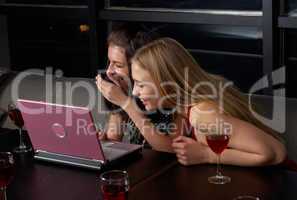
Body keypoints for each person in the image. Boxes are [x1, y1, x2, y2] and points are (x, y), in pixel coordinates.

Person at [97, 37, 287, 166]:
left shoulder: (202, 115)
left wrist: (207, 155)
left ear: (166, 82)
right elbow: (170, 148)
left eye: (141, 84)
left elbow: (275, 152)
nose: (136, 92)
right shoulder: (183, 110)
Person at [97, 23, 156, 146]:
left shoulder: (156, 97)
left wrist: (124, 102)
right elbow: (114, 138)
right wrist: (104, 142)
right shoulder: (125, 90)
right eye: (109, 62)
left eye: (118, 65)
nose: (108, 71)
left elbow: (165, 149)